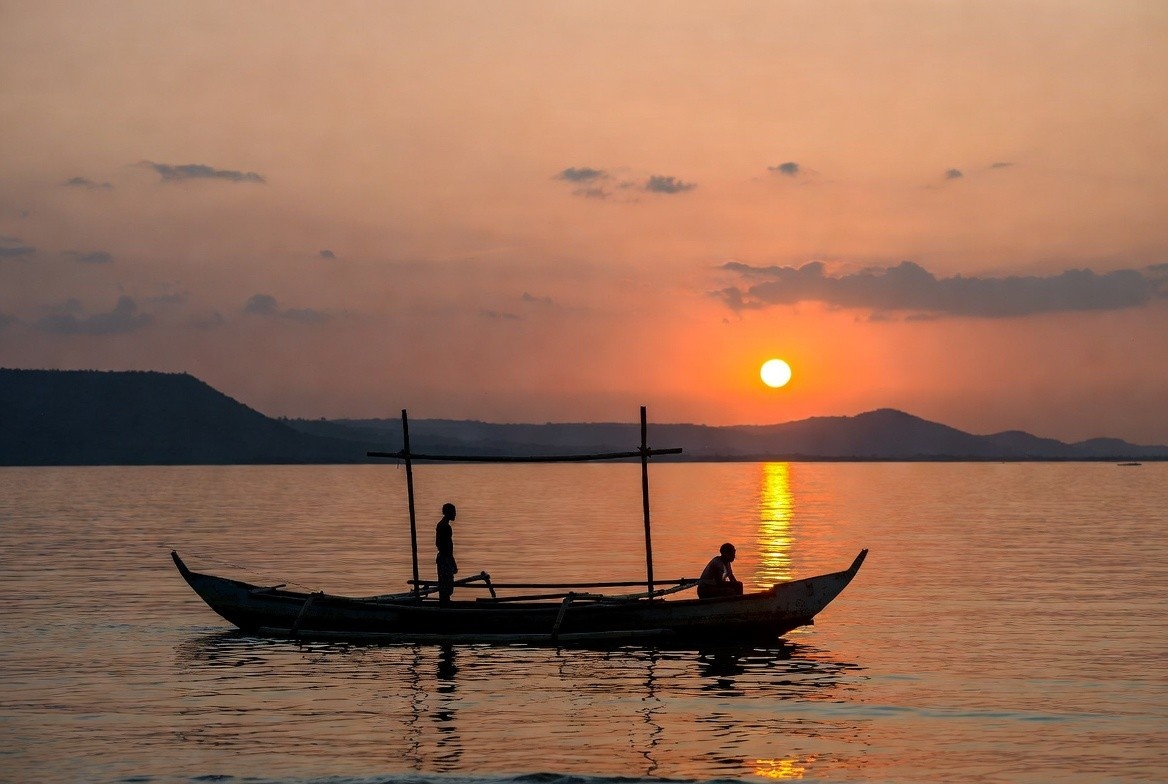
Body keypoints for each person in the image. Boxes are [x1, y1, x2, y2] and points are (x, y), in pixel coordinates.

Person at [435, 502, 458, 606]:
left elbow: (439, 544)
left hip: (443, 557)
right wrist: (453, 562)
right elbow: (447, 547)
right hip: (445, 558)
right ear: (449, 513)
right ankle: (445, 605)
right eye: (454, 512)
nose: (455, 514)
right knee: (446, 585)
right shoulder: (445, 527)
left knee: (444, 584)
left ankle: (444, 603)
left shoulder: (441, 525)